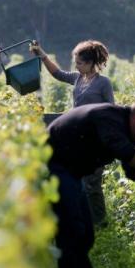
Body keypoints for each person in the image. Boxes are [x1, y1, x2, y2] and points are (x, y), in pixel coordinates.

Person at [46, 99, 135, 268]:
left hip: (71, 172)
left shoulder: (126, 130)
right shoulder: (109, 117)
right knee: (72, 229)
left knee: (86, 234)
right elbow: (127, 153)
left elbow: (132, 171)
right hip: (52, 165)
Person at [30, 40, 115, 227]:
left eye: (79, 63)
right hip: (77, 139)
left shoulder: (103, 83)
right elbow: (57, 73)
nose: (76, 66)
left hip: (95, 141)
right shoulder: (78, 78)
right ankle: (85, 219)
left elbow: (111, 110)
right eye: (75, 62)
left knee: (93, 184)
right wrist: (42, 55)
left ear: (91, 63)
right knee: (79, 181)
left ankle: (101, 222)